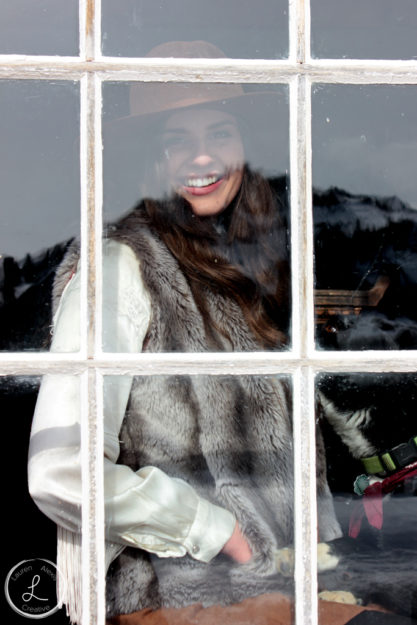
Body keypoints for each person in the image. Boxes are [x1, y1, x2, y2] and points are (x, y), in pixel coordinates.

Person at [28, 41, 343, 624]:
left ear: (245, 147)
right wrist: (222, 533)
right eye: (178, 140)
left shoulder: (241, 267)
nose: (204, 158)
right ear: (155, 158)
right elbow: (58, 470)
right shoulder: (119, 265)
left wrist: (309, 549)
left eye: (220, 133)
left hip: (273, 586)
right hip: (178, 597)